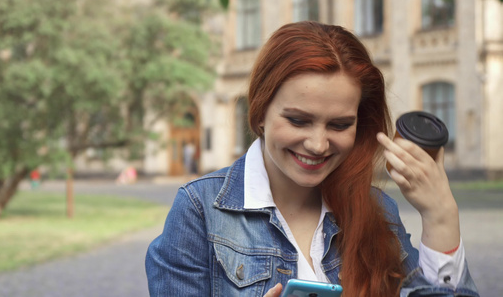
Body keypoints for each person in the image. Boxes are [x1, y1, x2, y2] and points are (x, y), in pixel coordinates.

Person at [145, 22, 479, 297]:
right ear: (260, 113)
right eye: (298, 120)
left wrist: (441, 217)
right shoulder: (200, 210)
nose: (318, 144)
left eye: (339, 124)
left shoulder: (378, 210)